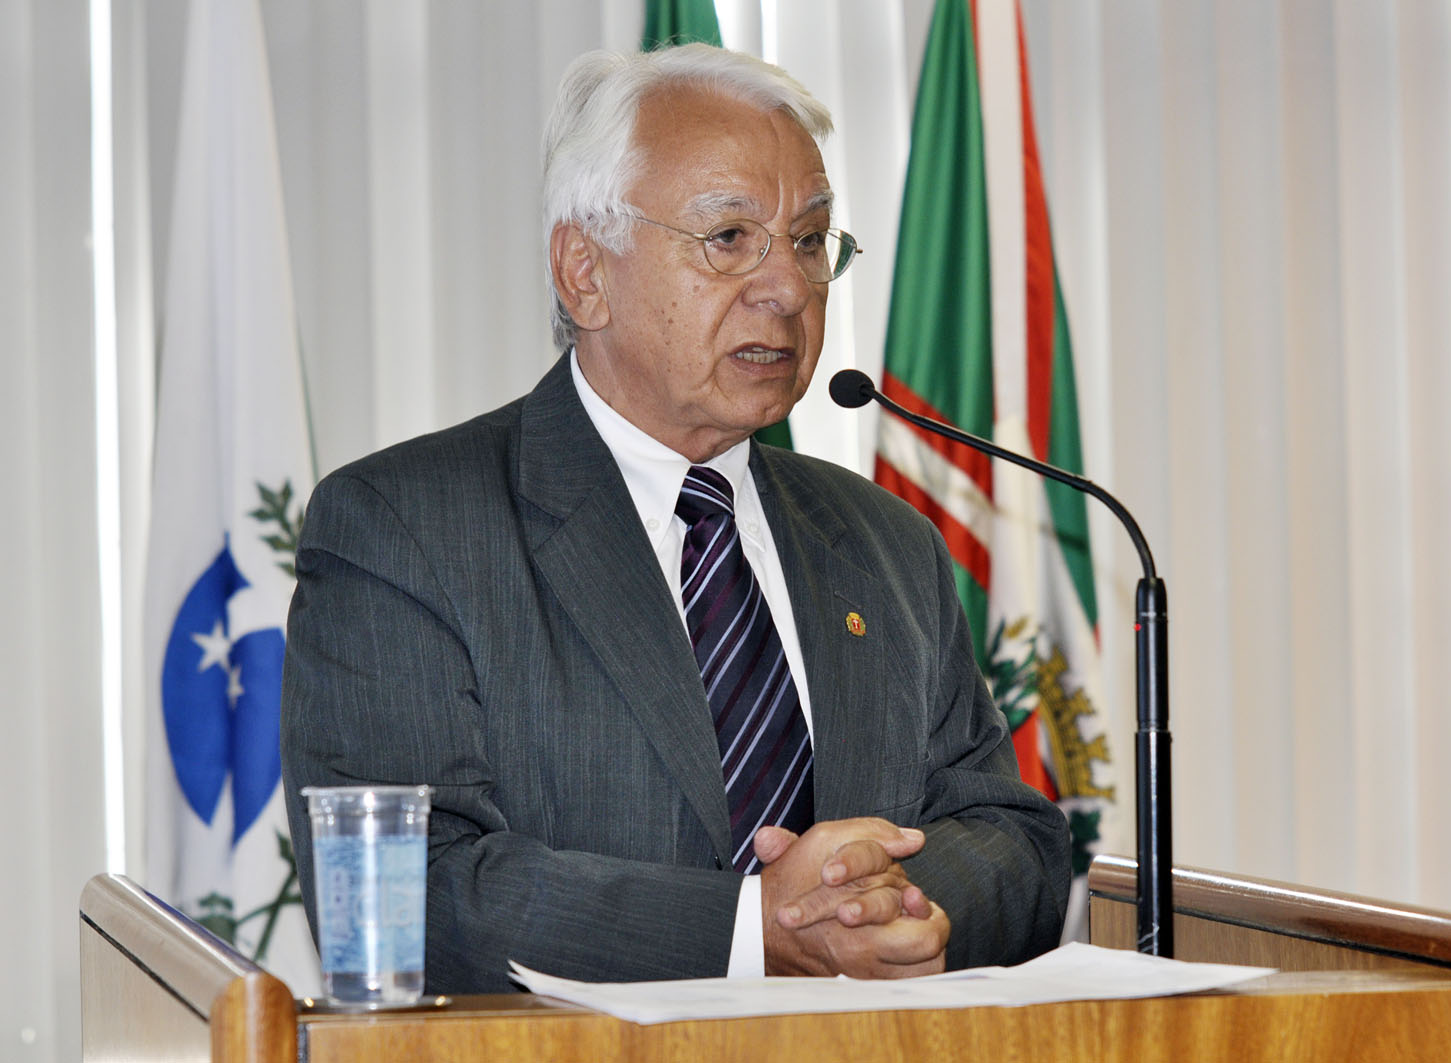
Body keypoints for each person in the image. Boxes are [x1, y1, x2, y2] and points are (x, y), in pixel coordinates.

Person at [281, 43, 1069, 994]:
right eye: (730, 236)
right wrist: (754, 930)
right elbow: (412, 888)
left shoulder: (886, 542)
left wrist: (889, 909)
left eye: (810, 240)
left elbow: (1012, 836)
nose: (789, 287)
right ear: (584, 271)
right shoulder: (406, 528)